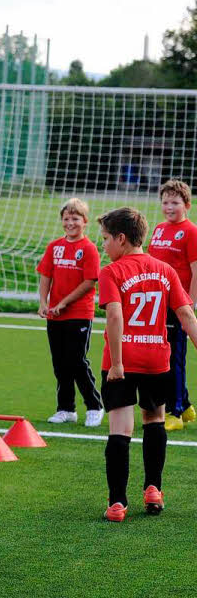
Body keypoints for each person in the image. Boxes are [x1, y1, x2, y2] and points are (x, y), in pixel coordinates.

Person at [95, 206, 197, 522]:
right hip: (157, 361)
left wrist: (117, 364)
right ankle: (153, 489)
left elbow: (114, 315)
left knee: (120, 430)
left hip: (123, 361)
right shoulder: (165, 270)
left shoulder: (111, 272)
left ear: (122, 238)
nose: (104, 246)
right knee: (154, 421)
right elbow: (186, 316)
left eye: (106, 239)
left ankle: (117, 502)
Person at [37, 198, 104, 427]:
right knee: (60, 364)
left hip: (79, 314)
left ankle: (94, 406)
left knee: (76, 361)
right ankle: (66, 408)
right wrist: (43, 302)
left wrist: (64, 302)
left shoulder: (88, 249)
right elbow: (46, 274)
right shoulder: (54, 246)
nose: (70, 223)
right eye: (66, 218)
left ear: (85, 222)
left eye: (75, 218)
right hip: (55, 315)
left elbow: (89, 282)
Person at [146, 179, 197, 431]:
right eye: (165, 202)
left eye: (175, 202)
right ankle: (186, 406)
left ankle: (174, 412)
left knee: (174, 357)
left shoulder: (191, 231)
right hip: (157, 303)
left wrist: (191, 303)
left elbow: (195, 270)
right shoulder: (158, 229)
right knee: (161, 354)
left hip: (179, 305)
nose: (169, 207)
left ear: (186, 204)